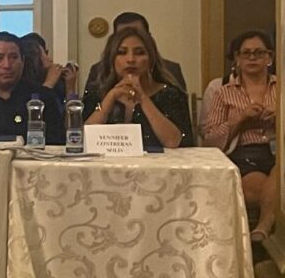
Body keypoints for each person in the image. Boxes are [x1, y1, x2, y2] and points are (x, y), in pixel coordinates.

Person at [203, 30, 277, 241]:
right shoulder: (224, 91)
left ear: (269, 57)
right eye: (246, 53)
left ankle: (263, 228)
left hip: (279, 152)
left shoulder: (282, 88)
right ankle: (270, 235)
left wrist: (279, 118)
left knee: (280, 171)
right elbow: (210, 139)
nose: (252, 58)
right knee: (266, 187)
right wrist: (240, 118)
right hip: (246, 156)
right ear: (237, 58)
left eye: (259, 53)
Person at [83, 27, 192, 149]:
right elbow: (85, 138)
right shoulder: (96, 93)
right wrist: (110, 97)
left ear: (151, 59)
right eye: (122, 52)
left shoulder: (170, 94)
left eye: (139, 53)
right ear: (111, 59)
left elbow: (173, 141)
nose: (131, 59)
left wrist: (143, 98)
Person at [85, 12, 186, 93]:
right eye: (123, 34)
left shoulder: (171, 70)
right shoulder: (98, 70)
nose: (130, 59)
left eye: (137, 33)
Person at [21, 33, 78, 101]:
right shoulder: (22, 87)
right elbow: (36, 105)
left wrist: (70, 88)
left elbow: (72, 106)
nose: (50, 59)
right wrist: (49, 82)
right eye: (45, 54)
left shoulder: (57, 84)